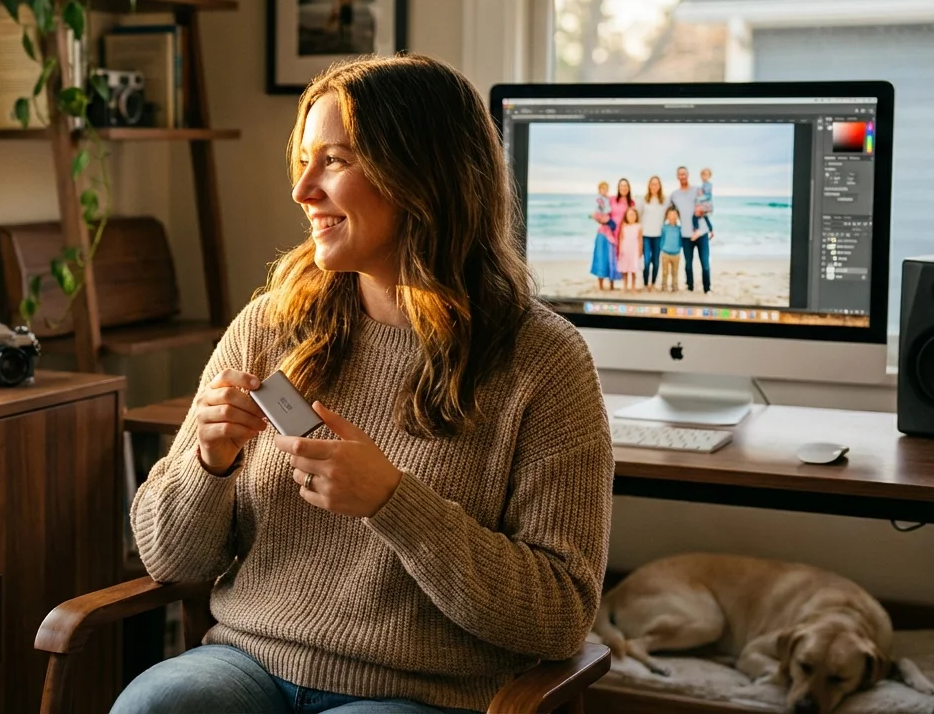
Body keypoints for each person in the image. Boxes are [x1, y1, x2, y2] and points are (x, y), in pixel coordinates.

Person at [112, 54, 613, 714]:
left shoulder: (543, 363)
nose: (304, 191)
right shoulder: (272, 324)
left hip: (421, 693)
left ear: (420, 176)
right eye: (305, 160)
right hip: (247, 662)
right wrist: (209, 463)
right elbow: (169, 561)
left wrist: (393, 502)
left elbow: (559, 615)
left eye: (336, 161)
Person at [669, 165, 711, 293]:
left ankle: (707, 288)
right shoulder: (674, 195)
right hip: (686, 234)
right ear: (677, 177)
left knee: (705, 263)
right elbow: (669, 211)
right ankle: (690, 287)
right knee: (688, 264)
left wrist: (709, 226)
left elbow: (708, 206)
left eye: (684, 174)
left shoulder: (697, 190)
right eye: (680, 174)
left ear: (688, 175)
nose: (682, 176)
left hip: (701, 233)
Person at [638, 175, 667, 291]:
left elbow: (668, 215)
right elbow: (639, 216)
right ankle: (645, 283)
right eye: (652, 184)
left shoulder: (664, 200)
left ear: (659, 186)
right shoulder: (643, 200)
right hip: (646, 236)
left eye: (656, 184)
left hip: (658, 236)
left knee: (655, 262)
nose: (654, 186)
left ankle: (653, 283)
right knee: (646, 262)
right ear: (649, 186)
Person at [589, 180, 619, 290]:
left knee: (611, 259)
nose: (604, 190)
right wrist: (601, 219)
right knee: (600, 258)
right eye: (602, 188)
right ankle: (601, 285)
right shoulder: (599, 200)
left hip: (610, 233)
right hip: (603, 232)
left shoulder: (609, 199)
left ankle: (611, 284)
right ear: (599, 189)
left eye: (606, 188)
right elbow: (597, 214)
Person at [617, 206, 642, 292]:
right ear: (626, 216)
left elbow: (640, 239)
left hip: (634, 251)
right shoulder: (624, 226)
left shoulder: (638, 226)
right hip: (625, 250)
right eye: (630, 215)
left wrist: (640, 251)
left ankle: (633, 286)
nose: (632, 217)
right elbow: (621, 238)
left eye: (633, 215)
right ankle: (625, 285)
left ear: (636, 216)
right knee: (625, 270)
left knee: (633, 270)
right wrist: (620, 250)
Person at [660, 204, 683, 292]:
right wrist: (662, 247)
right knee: (665, 272)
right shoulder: (664, 228)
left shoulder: (679, 228)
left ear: (677, 216)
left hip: (676, 254)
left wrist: (679, 248)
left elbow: (681, 241)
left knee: (675, 272)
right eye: (670, 214)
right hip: (665, 253)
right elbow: (662, 239)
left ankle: (674, 286)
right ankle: (664, 286)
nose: (672, 216)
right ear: (667, 216)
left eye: (674, 214)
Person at [695, 167, 716, 240]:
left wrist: (697, 199)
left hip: (707, 205)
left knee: (695, 215)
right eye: (703, 175)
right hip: (706, 204)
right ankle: (711, 230)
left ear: (709, 176)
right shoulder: (703, 184)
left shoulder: (708, 185)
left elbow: (707, 196)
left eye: (706, 175)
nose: (704, 176)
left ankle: (696, 230)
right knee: (705, 217)